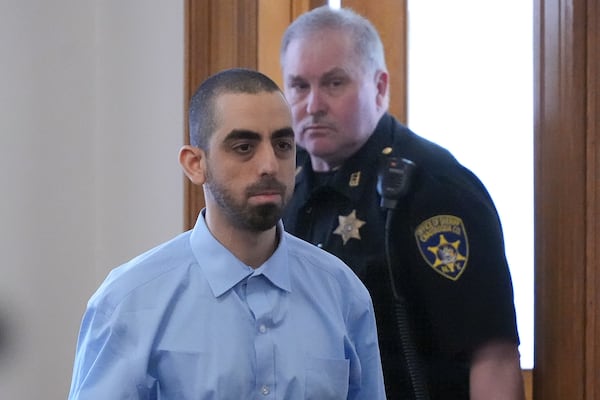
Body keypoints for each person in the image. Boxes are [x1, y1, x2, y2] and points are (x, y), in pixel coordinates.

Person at [68, 68, 386, 399]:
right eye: (244, 147)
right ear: (195, 164)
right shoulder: (128, 302)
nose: (269, 165)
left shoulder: (342, 292)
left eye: (282, 144)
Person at [280, 6, 525, 400]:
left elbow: (491, 356)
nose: (313, 105)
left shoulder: (435, 187)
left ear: (379, 87)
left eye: (334, 83)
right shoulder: (279, 185)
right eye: (298, 86)